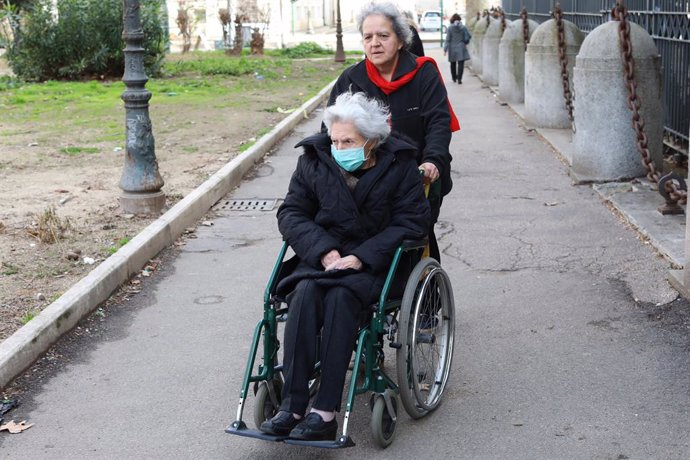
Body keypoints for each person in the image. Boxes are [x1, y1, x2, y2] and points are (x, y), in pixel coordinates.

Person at [259, 91, 431, 441]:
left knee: (341, 297)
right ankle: (292, 406)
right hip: (323, 259)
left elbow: (413, 222)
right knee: (304, 293)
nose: (339, 147)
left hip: (377, 265)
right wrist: (324, 251)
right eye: (335, 139)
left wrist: (362, 256)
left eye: (348, 140)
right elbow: (291, 213)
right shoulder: (314, 160)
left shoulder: (400, 166)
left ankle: (324, 412)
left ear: (371, 141)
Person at [326, 1, 459, 262]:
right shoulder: (350, 79)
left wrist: (433, 160)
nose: (375, 43)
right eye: (368, 37)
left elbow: (438, 123)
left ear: (399, 40)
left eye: (383, 36)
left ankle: (425, 296)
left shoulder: (424, 73)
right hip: (364, 180)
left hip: (415, 178)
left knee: (415, 238)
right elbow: (329, 129)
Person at [443, 14, 471, 84]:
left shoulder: (450, 28)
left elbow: (448, 39)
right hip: (461, 46)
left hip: (452, 47)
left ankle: (454, 77)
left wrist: (445, 49)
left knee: (453, 63)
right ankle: (459, 79)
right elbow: (468, 36)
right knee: (461, 63)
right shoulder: (463, 27)